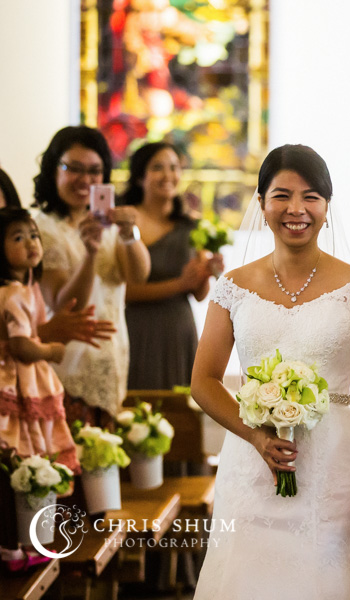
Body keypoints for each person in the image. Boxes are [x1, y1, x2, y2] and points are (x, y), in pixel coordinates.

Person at [191, 144, 350, 598]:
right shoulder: (232, 287)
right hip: (252, 465)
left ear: (328, 208)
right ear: (261, 204)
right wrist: (255, 437)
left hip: (332, 464)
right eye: (282, 195)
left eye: (311, 196)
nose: (297, 209)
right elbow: (203, 381)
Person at [32, 126, 151, 426]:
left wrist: (128, 232)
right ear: (53, 169)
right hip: (67, 369)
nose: (85, 180)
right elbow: (66, 304)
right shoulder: (42, 229)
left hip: (112, 361)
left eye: (95, 171)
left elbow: (138, 275)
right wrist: (90, 253)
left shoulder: (108, 223)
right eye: (74, 168)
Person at [122, 142, 220, 389]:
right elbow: (125, 291)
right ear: (139, 177)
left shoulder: (192, 224)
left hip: (178, 329)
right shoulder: (126, 222)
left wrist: (208, 272)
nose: (168, 175)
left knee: (182, 414)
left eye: (174, 168)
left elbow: (198, 294)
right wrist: (179, 284)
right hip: (137, 327)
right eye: (158, 167)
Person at [0, 208, 76, 471]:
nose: (31, 242)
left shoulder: (24, 289)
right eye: (18, 238)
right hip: (15, 376)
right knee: (25, 436)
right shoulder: (14, 294)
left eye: (34, 235)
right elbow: (21, 346)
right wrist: (50, 351)